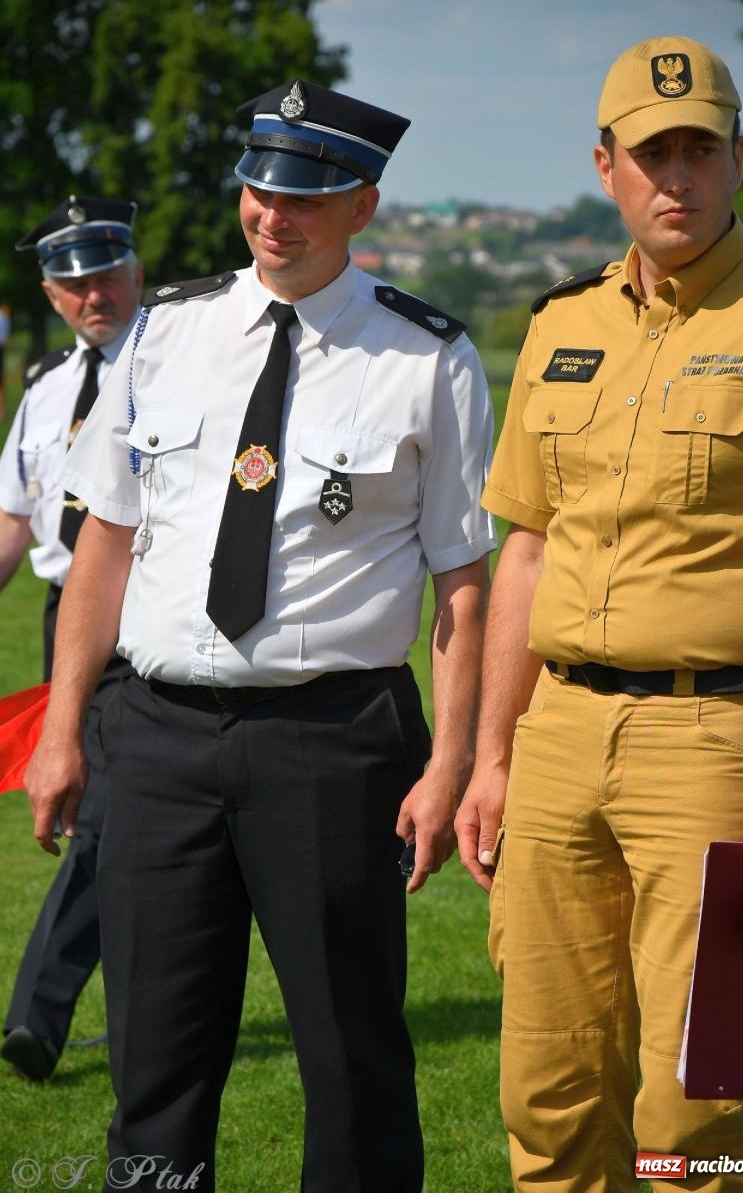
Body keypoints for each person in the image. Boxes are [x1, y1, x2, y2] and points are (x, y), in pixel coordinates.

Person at [25, 81, 495, 1192]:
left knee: (348, 1059)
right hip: (158, 740)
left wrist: (452, 764)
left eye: (308, 195)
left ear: (362, 206)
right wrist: (61, 729)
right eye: (258, 188)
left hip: (331, 744)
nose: (272, 214)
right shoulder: (166, 334)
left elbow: (463, 589)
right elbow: (104, 544)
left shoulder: (427, 358)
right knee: (154, 1061)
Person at [455, 34, 743, 1192]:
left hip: (720, 746)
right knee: (545, 1095)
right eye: (651, 152)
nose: (676, 176)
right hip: (556, 744)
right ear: (602, 165)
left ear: (738, 159)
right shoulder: (560, 324)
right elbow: (526, 553)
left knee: (701, 1115)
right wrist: (491, 758)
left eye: (700, 147)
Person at [0, 196, 143, 1080]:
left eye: (107, 274)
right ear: (51, 294)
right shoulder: (49, 388)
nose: (94, 295)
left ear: (135, 271)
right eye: (74, 283)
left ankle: (37, 1018)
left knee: (111, 816)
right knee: (115, 821)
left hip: (157, 608)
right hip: (71, 618)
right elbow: (14, 519)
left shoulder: (180, 358)